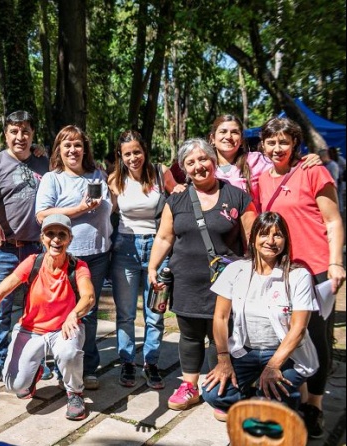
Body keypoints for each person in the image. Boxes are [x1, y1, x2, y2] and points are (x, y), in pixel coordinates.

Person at [147, 138, 257, 411]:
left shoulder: (238, 197)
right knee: (190, 334)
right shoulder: (177, 199)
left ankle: (219, 387)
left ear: (213, 161)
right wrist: (152, 266)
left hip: (226, 284)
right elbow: (164, 237)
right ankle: (190, 385)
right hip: (186, 280)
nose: (198, 166)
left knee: (220, 335)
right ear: (184, 169)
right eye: (190, 162)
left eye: (203, 159)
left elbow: (253, 240)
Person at [257, 117, 345, 438]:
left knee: (317, 337)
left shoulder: (312, 170)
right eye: (271, 142)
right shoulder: (262, 179)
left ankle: (315, 406)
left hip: (317, 268)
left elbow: (333, 221)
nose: (277, 148)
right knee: (289, 335)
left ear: (295, 143)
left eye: (284, 141)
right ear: (262, 145)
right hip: (282, 271)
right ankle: (300, 395)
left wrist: (335, 263)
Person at [0, 214, 95, 421]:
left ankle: (75, 393)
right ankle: (35, 370)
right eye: (50, 234)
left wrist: (73, 315)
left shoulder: (78, 266)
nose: (56, 239)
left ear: (69, 239)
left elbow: (89, 297)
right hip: (30, 330)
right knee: (14, 386)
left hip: (62, 329)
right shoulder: (32, 263)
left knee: (69, 354)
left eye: (61, 234)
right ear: (42, 238)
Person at [202, 212, 318, 421]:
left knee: (280, 400)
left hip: (284, 354)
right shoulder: (235, 270)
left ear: (286, 240)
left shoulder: (298, 276)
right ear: (253, 239)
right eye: (264, 234)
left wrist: (273, 366)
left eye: (278, 235)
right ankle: (256, 400)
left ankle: (274, 405)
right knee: (212, 393)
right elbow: (220, 317)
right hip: (245, 351)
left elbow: (299, 328)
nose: (271, 241)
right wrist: (223, 358)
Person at [35, 125, 112, 390]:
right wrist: (79, 209)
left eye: (77, 144)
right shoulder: (52, 179)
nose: (73, 150)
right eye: (67, 145)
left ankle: (88, 367)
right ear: (59, 149)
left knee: (88, 314)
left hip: (98, 255)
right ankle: (59, 364)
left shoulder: (97, 175)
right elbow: (42, 215)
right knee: (61, 311)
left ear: (85, 148)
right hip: (65, 257)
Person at [0, 110, 49, 382]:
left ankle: (35, 359)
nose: (20, 137)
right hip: (4, 248)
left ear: (32, 134)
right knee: (1, 306)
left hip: (37, 249)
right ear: (5, 134)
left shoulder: (43, 161)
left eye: (25, 131)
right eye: (14, 132)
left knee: (37, 307)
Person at [107, 130, 177, 389]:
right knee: (125, 313)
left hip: (158, 247)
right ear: (120, 156)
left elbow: (179, 196)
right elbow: (107, 210)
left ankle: (151, 362)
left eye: (137, 152)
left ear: (144, 151)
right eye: (127, 154)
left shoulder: (160, 172)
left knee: (155, 311)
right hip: (125, 247)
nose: (133, 158)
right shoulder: (115, 179)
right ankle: (127, 361)